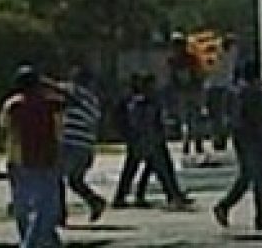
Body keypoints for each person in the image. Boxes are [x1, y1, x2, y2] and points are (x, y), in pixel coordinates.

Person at [1, 65, 66, 248]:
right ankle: (34, 242)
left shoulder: (13, 105)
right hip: (48, 159)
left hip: (20, 160)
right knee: (46, 208)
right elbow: (59, 132)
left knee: (23, 208)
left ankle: (32, 241)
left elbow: (7, 131)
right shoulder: (53, 104)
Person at [214, 60, 262, 231]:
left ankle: (226, 206)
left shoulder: (234, 91)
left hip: (241, 137)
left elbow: (229, 116)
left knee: (248, 176)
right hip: (254, 137)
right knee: (259, 178)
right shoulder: (256, 93)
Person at [112, 74, 190, 209]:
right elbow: (146, 123)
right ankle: (173, 195)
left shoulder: (140, 101)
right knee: (162, 169)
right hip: (148, 141)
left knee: (136, 169)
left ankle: (127, 196)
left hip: (143, 140)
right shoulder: (141, 103)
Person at [56, 66, 108, 224]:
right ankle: (95, 201)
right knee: (75, 180)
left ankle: (59, 214)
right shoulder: (93, 99)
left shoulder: (67, 90)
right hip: (86, 146)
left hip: (68, 142)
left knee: (56, 177)